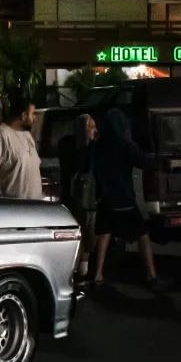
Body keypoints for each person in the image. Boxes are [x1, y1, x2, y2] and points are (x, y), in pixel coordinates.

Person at [91, 107, 168, 292]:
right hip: (125, 200)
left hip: (105, 199)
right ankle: (151, 275)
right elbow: (145, 162)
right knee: (143, 235)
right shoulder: (126, 144)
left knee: (104, 235)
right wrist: (163, 160)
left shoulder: (98, 145)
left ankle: (97, 275)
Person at [58, 113, 97, 277]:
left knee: (84, 229)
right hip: (81, 197)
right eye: (91, 127)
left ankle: (80, 267)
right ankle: (80, 267)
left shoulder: (69, 144)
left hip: (76, 196)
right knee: (84, 229)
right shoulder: (80, 147)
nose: (95, 131)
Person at [0, 96, 44, 199]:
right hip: (15, 205)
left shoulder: (27, 135)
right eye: (32, 114)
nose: (35, 118)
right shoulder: (0, 135)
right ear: (24, 116)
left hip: (36, 205)